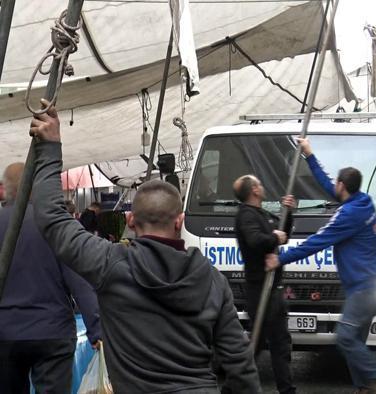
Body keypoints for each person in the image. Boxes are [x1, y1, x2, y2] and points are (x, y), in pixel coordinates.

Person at [28, 101, 260, 393]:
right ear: (180, 221)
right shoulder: (212, 280)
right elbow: (240, 363)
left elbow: (51, 217)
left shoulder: (109, 264)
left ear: (131, 221)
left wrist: (50, 148)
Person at [266, 138, 376, 393]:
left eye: (337, 185)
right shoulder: (363, 203)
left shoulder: (348, 214)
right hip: (373, 287)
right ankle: (365, 388)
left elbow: (317, 242)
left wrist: (280, 258)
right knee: (355, 344)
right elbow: (327, 185)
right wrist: (309, 155)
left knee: (345, 338)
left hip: (363, 290)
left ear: (343, 186)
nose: (334, 188)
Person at [0, 162, 101, 394]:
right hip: (52, 332)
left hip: (5, 333)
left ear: (5, 190)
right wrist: (96, 329)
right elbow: (80, 279)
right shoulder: (58, 223)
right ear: (37, 187)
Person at [234, 175, 296, 394]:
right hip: (261, 290)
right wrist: (274, 239)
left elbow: (283, 234)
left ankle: (286, 389)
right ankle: (234, 388)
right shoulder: (246, 216)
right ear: (254, 191)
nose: (262, 186)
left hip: (273, 289)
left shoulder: (260, 214)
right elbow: (256, 241)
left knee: (274, 344)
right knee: (263, 345)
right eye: (259, 184)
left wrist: (288, 213)